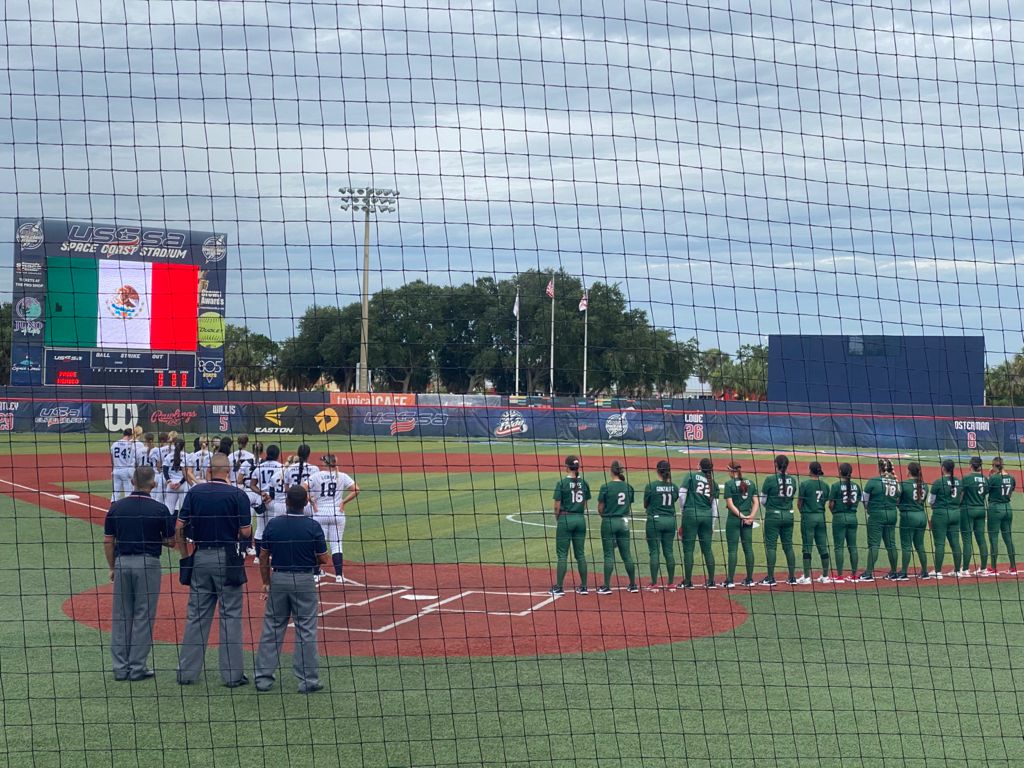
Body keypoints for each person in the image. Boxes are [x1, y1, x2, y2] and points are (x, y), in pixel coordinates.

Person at [175, 453, 253, 687]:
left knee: (196, 616)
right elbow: (247, 532)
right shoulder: (238, 495)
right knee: (230, 616)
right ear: (228, 472)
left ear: (208, 470)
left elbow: (179, 527)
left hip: (200, 556)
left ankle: (186, 674)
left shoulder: (195, 492)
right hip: (227, 557)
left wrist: (185, 555)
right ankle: (232, 676)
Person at [255, 485, 330, 693]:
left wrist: (266, 581)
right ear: (306, 503)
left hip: (278, 578)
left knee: (272, 627)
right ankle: (309, 680)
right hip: (305, 580)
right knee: (306, 629)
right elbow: (324, 558)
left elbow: (263, 556)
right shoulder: (313, 526)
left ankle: (263, 678)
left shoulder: (273, 524)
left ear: (286, 502)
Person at [103, 466, 175, 681]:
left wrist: (113, 567)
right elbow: (171, 541)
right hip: (148, 564)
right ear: (153, 485)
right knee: (143, 615)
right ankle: (137, 667)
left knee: (121, 615)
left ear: (132, 482)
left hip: (123, 563)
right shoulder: (160, 509)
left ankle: (120, 668)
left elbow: (108, 541)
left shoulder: (117, 507)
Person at [309, 454, 359, 584]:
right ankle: (339, 576)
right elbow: (356, 490)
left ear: (325, 463)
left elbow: (302, 489)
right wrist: (343, 502)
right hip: (337, 512)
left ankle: (315, 573)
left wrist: (312, 501)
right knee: (337, 544)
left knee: (317, 544)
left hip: (319, 513)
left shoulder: (316, 476)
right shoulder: (342, 476)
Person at [549, 455, 591, 596]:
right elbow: (585, 503)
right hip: (580, 519)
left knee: (562, 555)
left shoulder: (562, 483)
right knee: (580, 554)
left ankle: (559, 587)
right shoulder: (584, 483)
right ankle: (584, 586)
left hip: (566, 519)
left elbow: (556, 506)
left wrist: (558, 518)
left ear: (566, 466)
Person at [595, 460, 637, 594]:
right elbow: (628, 506)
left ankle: (606, 586)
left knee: (609, 555)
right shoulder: (629, 487)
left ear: (611, 471)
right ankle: (633, 584)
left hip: (609, 521)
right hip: (624, 522)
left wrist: (607, 518)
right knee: (627, 555)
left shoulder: (605, 487)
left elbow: (600, 508)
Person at [679, 458, 719, 589]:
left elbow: (682, 495)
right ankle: (712, 581)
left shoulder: (691, 475)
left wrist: (683, 511)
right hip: (707, 516)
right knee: (707, 549)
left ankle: (688, 581)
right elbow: (715, 507)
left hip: (691, 514)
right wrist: (712, 525)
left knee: (688, 549)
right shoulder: (714, 483)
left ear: (700, 466)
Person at [760, 455, 797, 586]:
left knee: (771, 546)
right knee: (788, 546)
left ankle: (770, 578)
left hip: (773, 516)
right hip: (788, 515)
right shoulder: (793, 480)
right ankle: (792, 577)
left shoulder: (770, 479)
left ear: (775, 464)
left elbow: (763, 500)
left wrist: (772, 507)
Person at [860, 459, 900, 581]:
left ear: (880, 468)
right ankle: (894, 572)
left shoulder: (873, 481)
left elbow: (864, 500)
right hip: (892, 515)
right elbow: (898, 499)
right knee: (891, 544)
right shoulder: (896, 482)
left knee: (874, 545)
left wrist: (869, 509)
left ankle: (868, 573)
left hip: (877, 515)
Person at [643, 460, 679, 591]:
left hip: (655, 521)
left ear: (657, 470)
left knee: (654, 552)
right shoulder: (674, 487)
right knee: (669, 552)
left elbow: (645, 504)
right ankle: (671, 584)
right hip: (670, 521)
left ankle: (654, 583)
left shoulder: (651, 486)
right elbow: (673, 499)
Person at [722, 461, 758, 588]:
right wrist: (750, 516)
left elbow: (731, 505)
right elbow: (756, 503)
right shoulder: (751, 483)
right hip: (748, 520)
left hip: (734, 520)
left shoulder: (729, 484)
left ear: (732, 471)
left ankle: (730, 580)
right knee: (748, 549)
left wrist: (741, 516)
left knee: (732, 550)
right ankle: (749, 579)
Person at [796, 461, 831, 584]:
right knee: (823, 546)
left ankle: (806, 577)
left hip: (808, 517)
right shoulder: (826, 486)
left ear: (810, 470)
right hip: (821, 517)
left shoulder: (805, 484)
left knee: (807, 547)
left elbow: (799, 503)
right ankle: (825, 576)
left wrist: (804, 513)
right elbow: (825, 501)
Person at [928, 459, 963, 579]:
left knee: (939, 544)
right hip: (956, 514)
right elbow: (960, 498)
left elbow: (931, 501)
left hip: (941, 514)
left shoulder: (938, 482)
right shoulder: (958, 481)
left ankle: (938, 572)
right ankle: (958, 571)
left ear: (943, 468)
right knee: (955, 543)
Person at [249, 444, 284, 563]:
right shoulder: (281, 467)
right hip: (275, 501)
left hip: (262, 500)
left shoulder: (259, 466)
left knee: (260, 528)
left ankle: (258, 557)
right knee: (275, 529)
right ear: (277, 455)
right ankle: (274, 555)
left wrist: (262, 493)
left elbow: (252, 485)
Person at [897, 462, 929, 580]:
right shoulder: (925, 485)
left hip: (908, 517)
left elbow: (897, 500)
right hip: (921, 516)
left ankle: (904, 572)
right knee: (920, 545)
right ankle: (925, 571)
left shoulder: (903, 484)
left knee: (906, 545)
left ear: (909, 471)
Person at [828, 463, 861, 582]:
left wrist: (836, 514)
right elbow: (857, 501)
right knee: (853, 546)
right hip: (853, 517)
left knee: (838, 547)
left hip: (839, 517)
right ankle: (854, 575)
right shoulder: (856, 486)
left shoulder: (836, 486)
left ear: (840, 472)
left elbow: (830, 504)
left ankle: (840, 575)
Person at [985, 457, 1016, 575]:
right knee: (1008, 538)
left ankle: (993, 567)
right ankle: (1013, 567)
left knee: (993, 538)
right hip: (1008, 507)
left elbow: (984, 490)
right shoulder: (1011, 477)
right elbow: (1011, 491)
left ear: (993, 466)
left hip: (995, 509)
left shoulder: (993, 478)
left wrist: (989, 476)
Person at [960, 456, 988, 575]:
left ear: (971, 465)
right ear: (980, 466)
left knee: (967, 540)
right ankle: (983, 568)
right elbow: (986, 492)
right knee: (981, 539)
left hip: (968, 510)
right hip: (981, 509)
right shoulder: (985, 479)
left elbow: (960, 495)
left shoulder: (966, 478)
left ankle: (965, 569)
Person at [163, 438, 196, 515]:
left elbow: (165, 470)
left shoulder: (169, 456)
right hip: (183, 484)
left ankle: (169, 526)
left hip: (171, 484)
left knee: (169, 508)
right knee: (182, 508)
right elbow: (186, 472)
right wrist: (180, 483)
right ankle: (180, 526)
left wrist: (169, 482)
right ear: (183, 446)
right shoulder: (187, 456)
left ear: (174, 445)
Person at [110, 428, 143, 501]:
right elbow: (134, 459)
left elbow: (112, 458)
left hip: (116, 471)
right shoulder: (131, 445)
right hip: (126, 471)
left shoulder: (114, 444)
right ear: (130, 435)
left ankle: (113, 508)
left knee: (115, 493)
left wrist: (113, 469)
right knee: (128, 493)